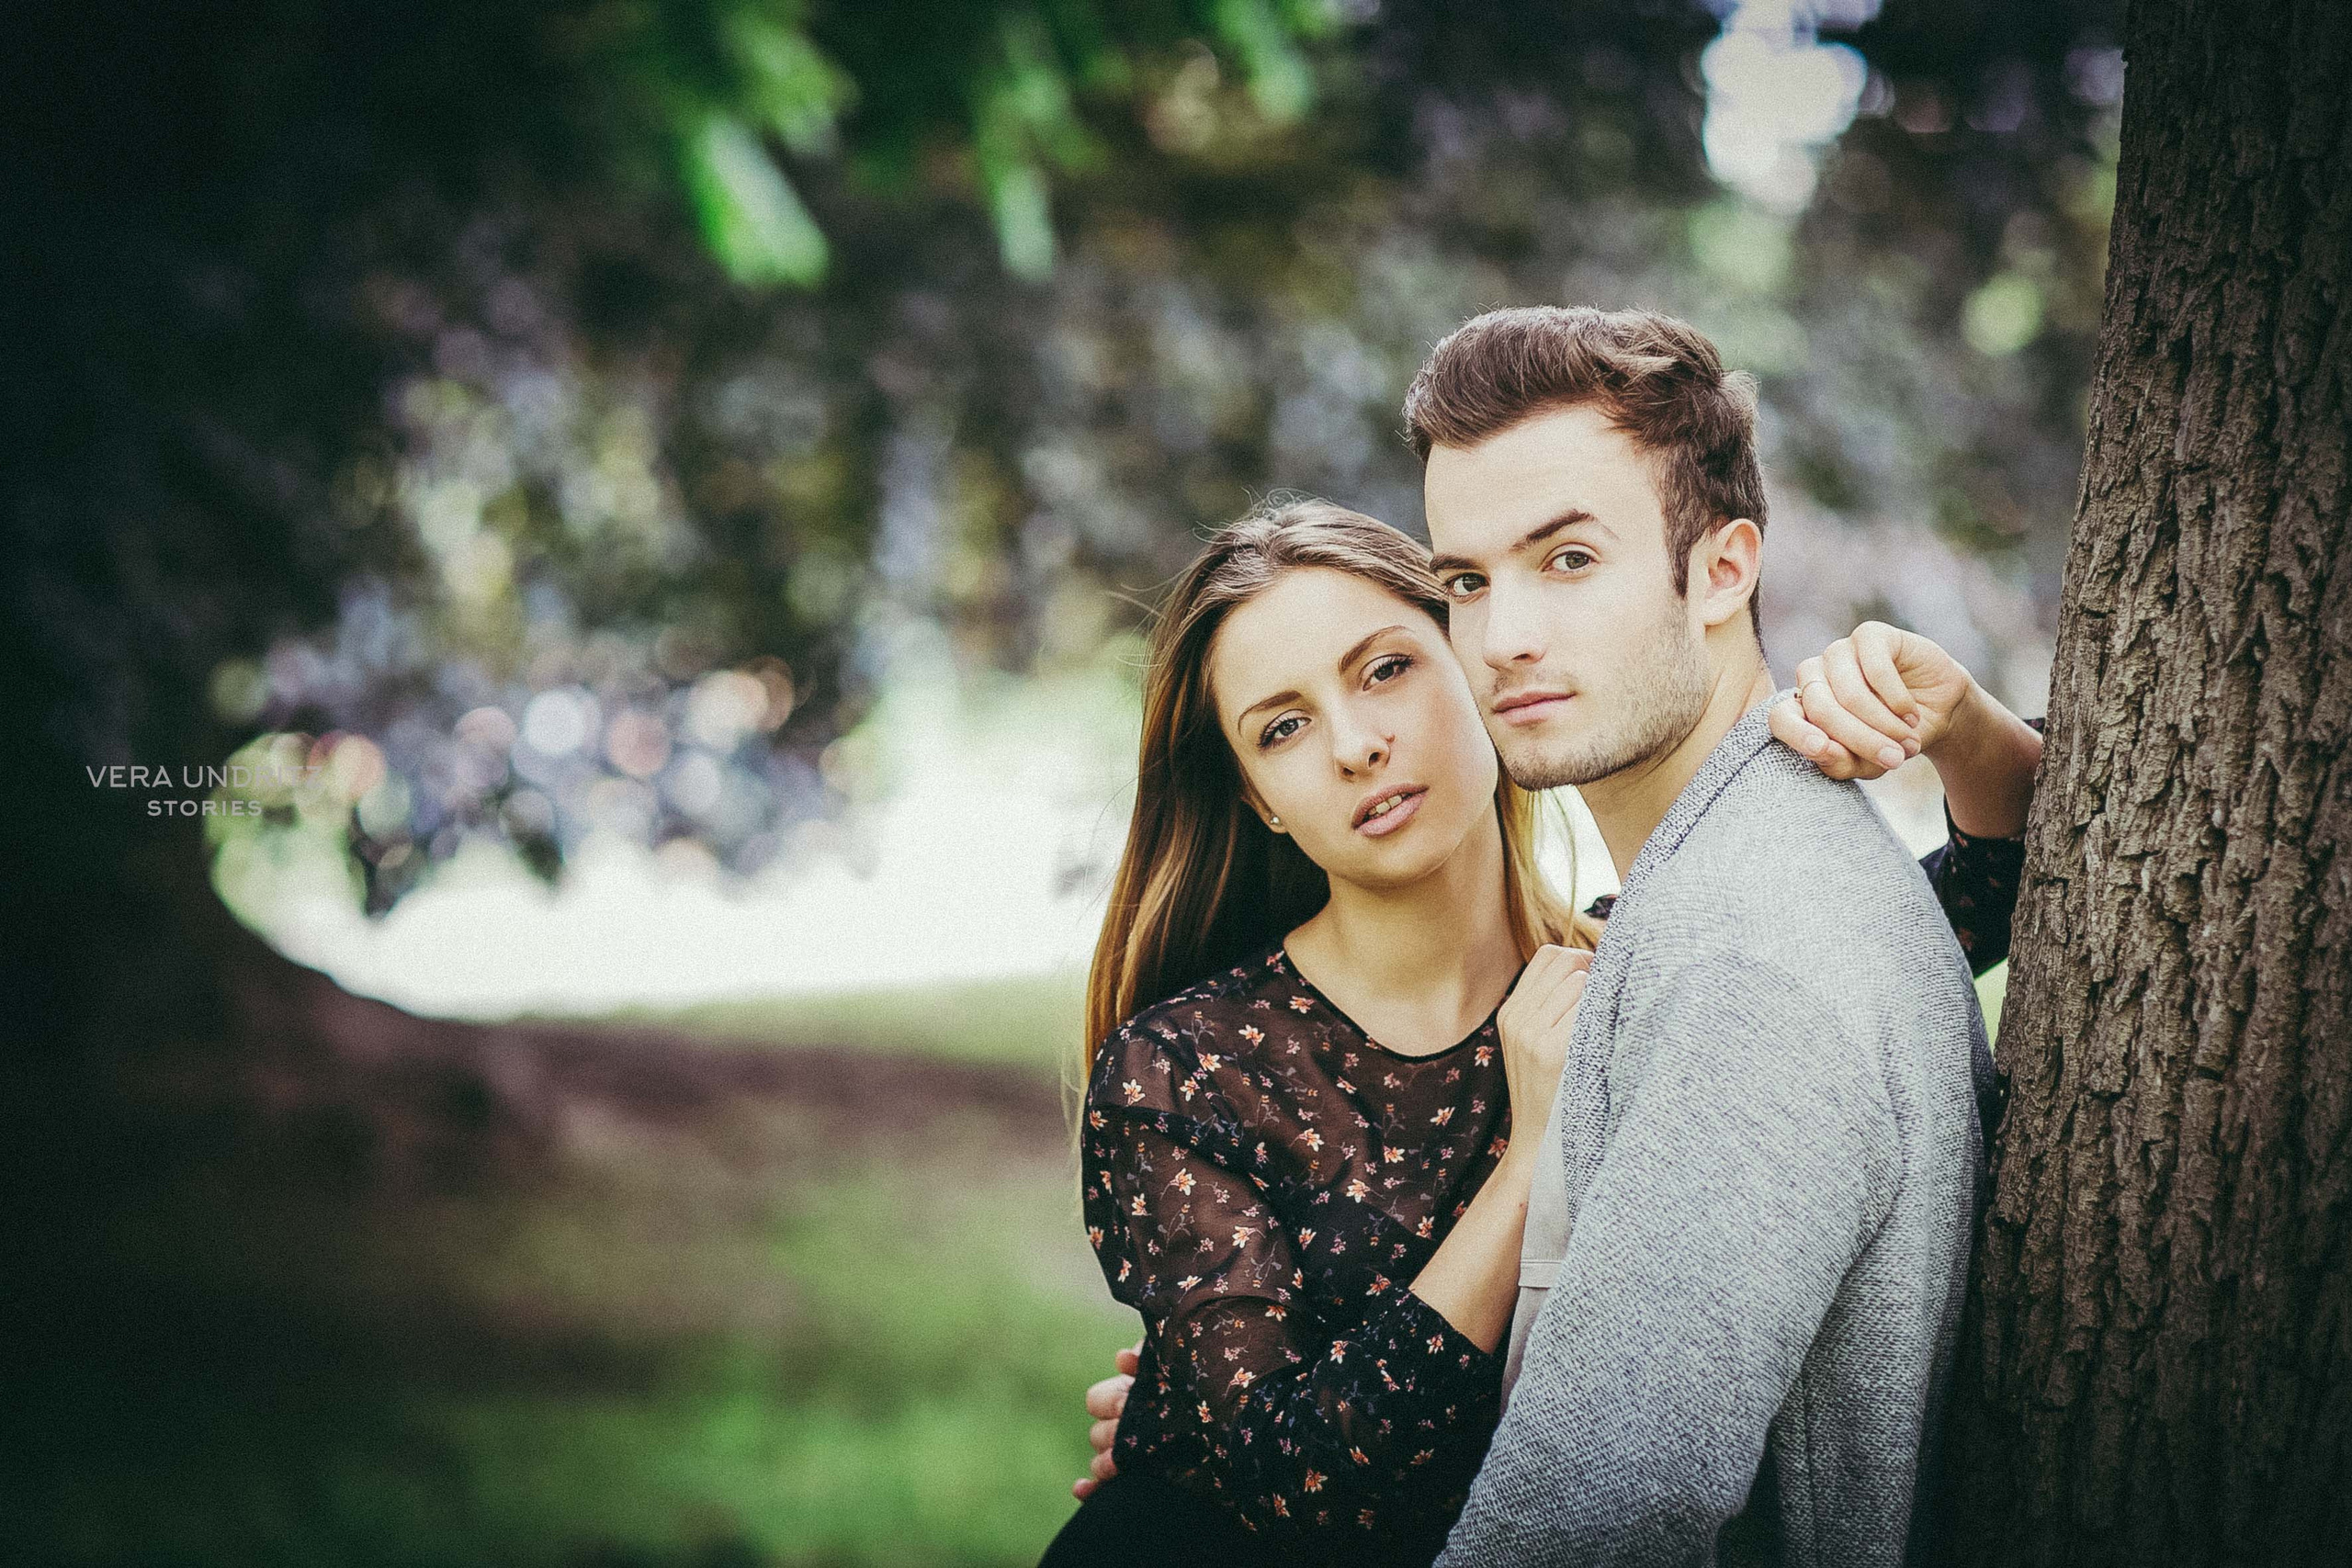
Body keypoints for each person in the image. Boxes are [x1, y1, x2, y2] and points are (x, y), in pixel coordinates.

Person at [1042, 408, 2041, 1563]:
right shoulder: (1184, 1070)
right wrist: (1531, 1155)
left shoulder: (1645, 966)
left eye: (1387, 669)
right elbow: (1295, 1484)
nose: (1357, 744)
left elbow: (1978, 892)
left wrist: (1957, 719)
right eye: (1282, 728)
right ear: (1260, 797)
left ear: (1473, 657)